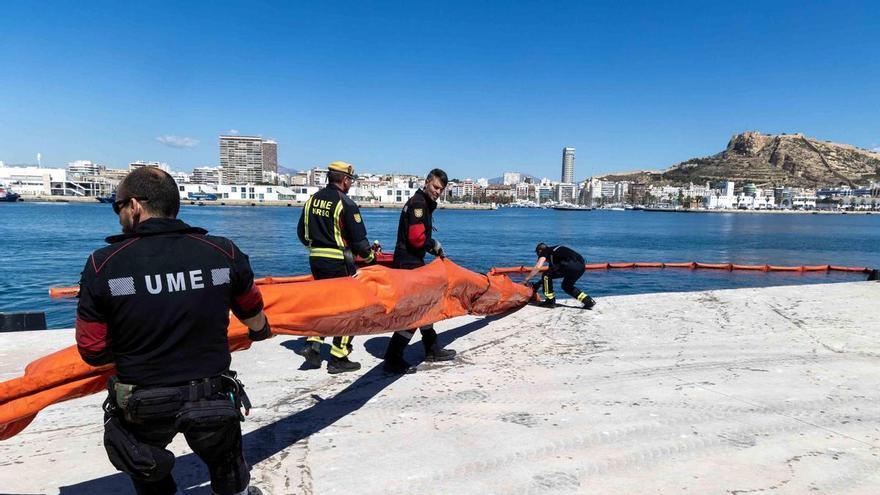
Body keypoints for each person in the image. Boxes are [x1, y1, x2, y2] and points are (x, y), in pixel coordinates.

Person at [75, 167, 271, 495]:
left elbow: (92, 350)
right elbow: (254, 316)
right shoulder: (223, 252)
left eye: (118, 206)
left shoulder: (103, 265)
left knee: (150, 476)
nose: (119, 214)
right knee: (227, 468)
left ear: (135, 205)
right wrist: (260, 332)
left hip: (142, 403)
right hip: (211, 397)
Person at [296, 161, 376, 374]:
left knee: (323, 303)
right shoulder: (345, 203)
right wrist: (370, 260)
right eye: (350, 180)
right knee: (349, 307)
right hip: (339, 261)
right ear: (344, 179)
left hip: (316, 259)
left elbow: (302, 234)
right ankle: (339, 356)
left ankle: (313, 344)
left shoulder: (311, 200)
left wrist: (317, 248)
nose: (350, 184)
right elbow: (360, 242)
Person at [382, 168, 457, 374]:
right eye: (435, 187)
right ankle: (393, 357)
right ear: (426, 182)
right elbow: (416, 238)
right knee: (415, 311)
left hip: (410, 260)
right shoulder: (419, 204)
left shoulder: (422, 203)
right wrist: (433, 244)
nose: (437, 192)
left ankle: (431, 348)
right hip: (408, 263)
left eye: (441, 190)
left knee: (424, 306)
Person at [523, 243, 597, 309]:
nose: (538, 256)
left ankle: (550, 301)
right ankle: (588, 301)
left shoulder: (545, 251)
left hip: (569, 265)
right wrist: (537, 285)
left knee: (546, 275)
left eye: (537, 254)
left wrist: (526, 279)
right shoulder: (555, 253)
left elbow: (538, 267)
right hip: (581, 266)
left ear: (539, 251)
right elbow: (549, 276)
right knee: (566, 286)